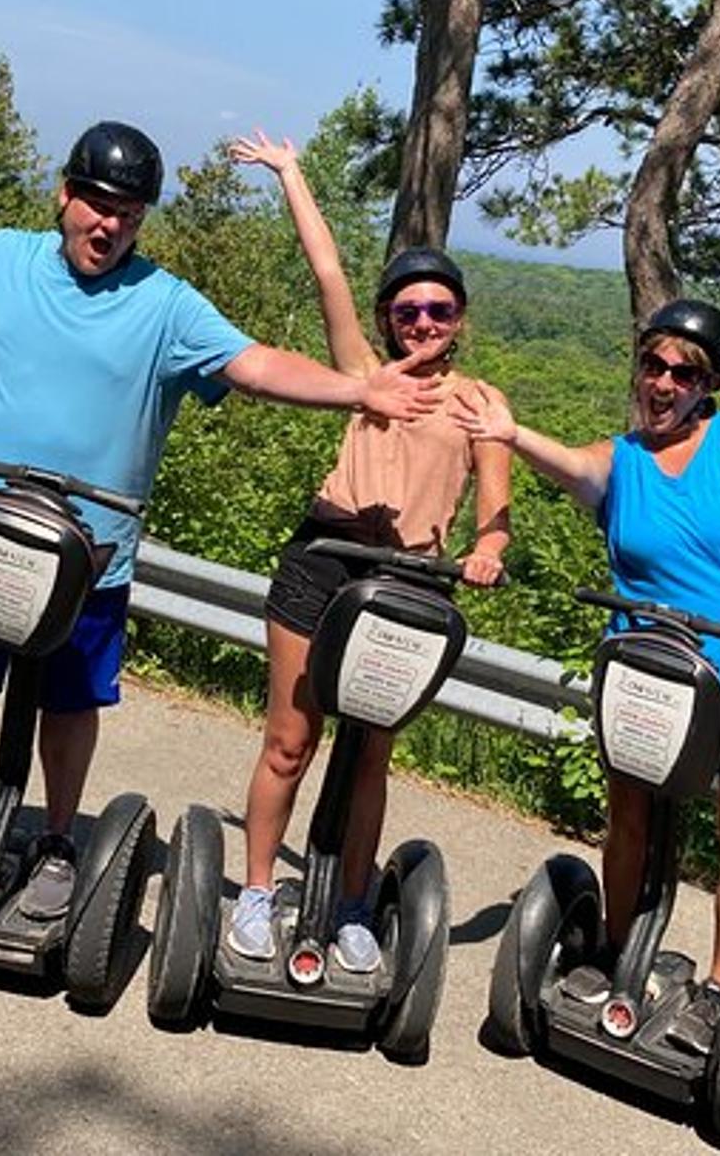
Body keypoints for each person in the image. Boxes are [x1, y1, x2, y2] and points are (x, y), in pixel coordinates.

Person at [0, 120, 444, 921]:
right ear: (65, 194)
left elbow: (255, 364)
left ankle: (59, 836)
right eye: (97, 204)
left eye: (127, 212)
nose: (109, 224)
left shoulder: (165, 303)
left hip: (91, 551)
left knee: (69, 701)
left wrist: (358, 389)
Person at [452, 299, 720, 1053]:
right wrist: (511, 434)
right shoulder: (622, 460)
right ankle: (615, 950)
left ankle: (719, 991)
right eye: (653, 366)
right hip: (660, 670)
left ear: (708, 385)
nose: (663, 383)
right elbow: (573, 465)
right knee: (631, 820)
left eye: (683, 374)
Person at [223, 132, 510, 973]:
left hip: (413, 581)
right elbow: (328, 274)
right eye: (407, 311)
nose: (422, 322)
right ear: (390, 320)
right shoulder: (366, 373)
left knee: (370, 752)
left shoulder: (480, 402)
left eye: (439, 311)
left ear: (459, 320)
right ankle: (254, 892)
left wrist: (488, 550)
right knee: (291, 739)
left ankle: (352, 902)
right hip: (325, 560)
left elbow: (496, 512)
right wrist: (291, 173)